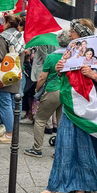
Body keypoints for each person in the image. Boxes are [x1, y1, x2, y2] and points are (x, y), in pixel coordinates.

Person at [28, 19, 97, 193]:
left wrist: (92, 74)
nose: (68, 34)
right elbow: (66, 79)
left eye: (72, 31)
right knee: (64, 147)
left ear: (81, 33)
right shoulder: (70, 52)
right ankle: (53, 188)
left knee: (84, 147)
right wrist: (60, 70)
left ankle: (81, 189)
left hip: (88, 109)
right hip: (70, 108)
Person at [24, 30, 70, 158]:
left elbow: (42, 78)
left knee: (40, 119)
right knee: (62, 122)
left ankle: (37, 148)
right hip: (65, 90)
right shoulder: (72, 56)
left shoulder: (51, 57)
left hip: (52, 90)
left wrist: (37, 89)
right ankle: (60, 152)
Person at [0, 14, 25, 144]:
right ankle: (14, 132)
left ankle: (9, 134)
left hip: (5, 76)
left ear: (7, 22)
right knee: (14, 105)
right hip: (17, 73)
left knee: (5, 103)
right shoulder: (21, 37)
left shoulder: (3, 37)